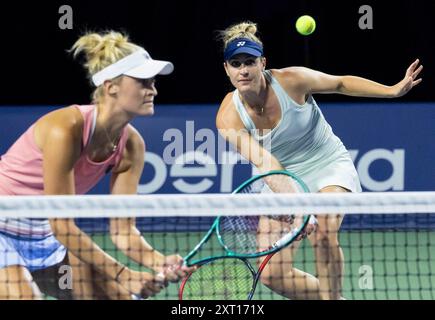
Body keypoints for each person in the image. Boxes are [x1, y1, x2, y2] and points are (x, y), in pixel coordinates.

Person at [215, 21, 422, 300]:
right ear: (226, 69)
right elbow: (266, 162)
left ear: (262, 62)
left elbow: (340, 82)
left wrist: (392, 90)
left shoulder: (292, 81)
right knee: (272, 275)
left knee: (323, 231)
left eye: (250, 62)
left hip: (326, 164)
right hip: (280, 178)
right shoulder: (229, 117)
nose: (244, 70)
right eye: (236, 63)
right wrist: (298, 207)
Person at [0, 31, 194, 300]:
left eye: (152, 82)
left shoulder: (131, 147)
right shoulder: (65, 129)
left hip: (42, 238)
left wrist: (158, 260)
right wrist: (124, 274)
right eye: (142, 82)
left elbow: (123, 230)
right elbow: (63, 226)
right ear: (110, 86)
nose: (153, 90)